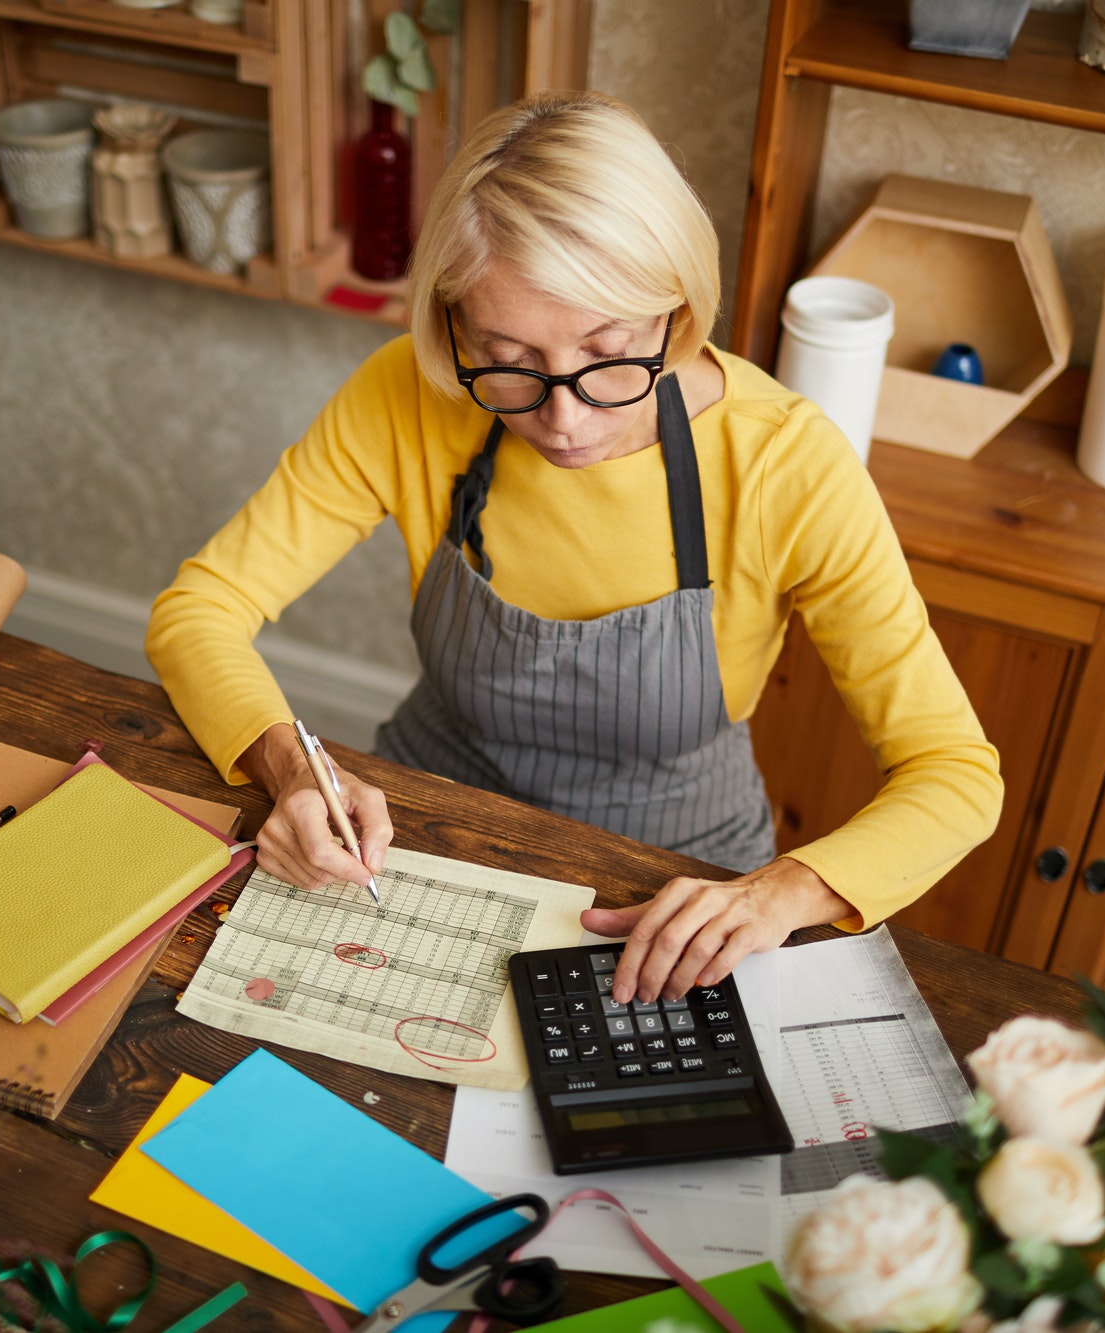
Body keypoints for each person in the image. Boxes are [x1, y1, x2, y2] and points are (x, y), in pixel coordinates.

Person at [146, 91, 1003, 1007]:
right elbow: (199, 611)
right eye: (509, 360)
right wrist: (290, 767)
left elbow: (954, 774)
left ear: (676, 309)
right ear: (452, 328)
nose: (561, 419)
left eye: (607, 355)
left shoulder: (787, 463)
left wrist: (781, 891)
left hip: (677, 882)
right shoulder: (406, 395)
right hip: (427, 834)